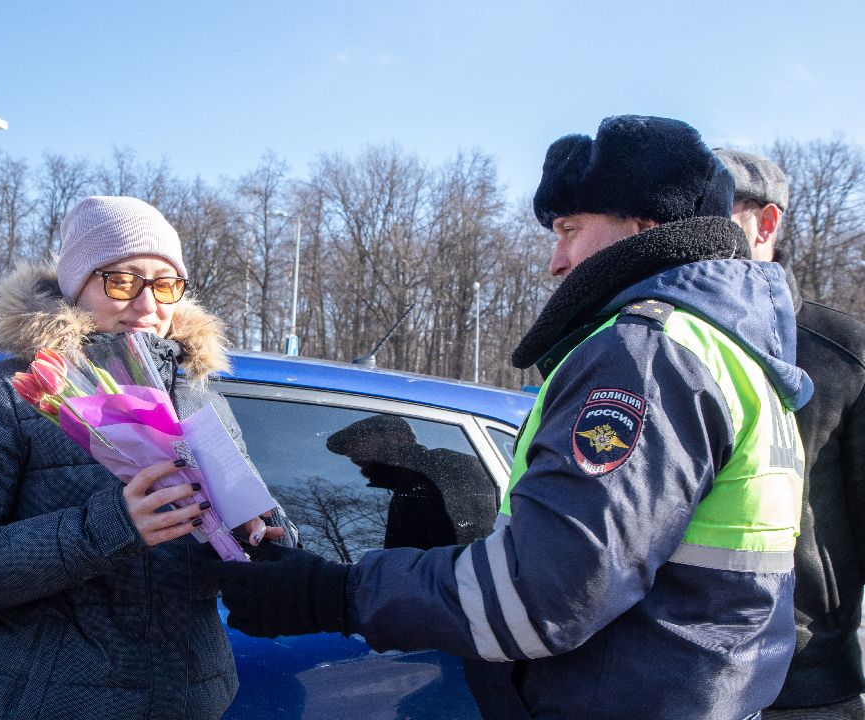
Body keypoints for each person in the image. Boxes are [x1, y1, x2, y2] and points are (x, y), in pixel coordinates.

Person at [210, 116, 812, 720]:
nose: (557, 261)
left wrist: (332, 594)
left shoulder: (645, 355)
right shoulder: (726, 350)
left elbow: (545, 594)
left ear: (645, 225)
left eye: (571, 230)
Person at [0, 196, 294, 720]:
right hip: (32, 702)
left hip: (184, 701)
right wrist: (108, 527)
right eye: (122, 281)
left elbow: (245, 532)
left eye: (164, 284)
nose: (147, 304)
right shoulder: (16, 391)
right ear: (76, 286)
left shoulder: (204, 399)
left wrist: (265, 533)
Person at [716, 148, 865, 720]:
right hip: (674, 678)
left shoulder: (842, 354)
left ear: (767, 223)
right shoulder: (659, 338)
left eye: (719, 215)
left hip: (806, 688)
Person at [326, 414, 497, 549]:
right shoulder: (401, 489)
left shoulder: (448, 468)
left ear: (398, 438)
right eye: (348, 447)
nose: (350, 451)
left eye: (360, 439)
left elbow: (475, 542)